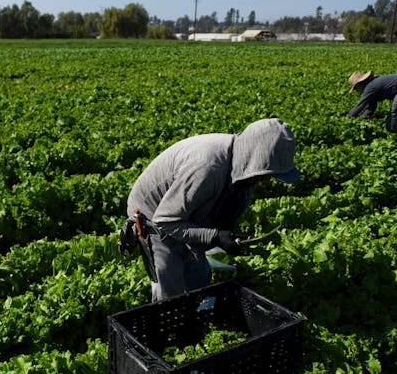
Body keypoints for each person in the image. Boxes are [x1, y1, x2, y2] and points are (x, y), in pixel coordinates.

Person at [125, 118, 300, 302]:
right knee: (170, 287)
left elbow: (228, 206)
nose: (267, 180)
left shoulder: (247, 168)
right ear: (255, 159)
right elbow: (166, 221)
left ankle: (196, 320)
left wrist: (226, 232)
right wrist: (215, 236)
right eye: (268, 174)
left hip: (183, 211)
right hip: (153, 216)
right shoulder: (207, 168)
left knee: (198, 279)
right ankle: (168, 322)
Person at [346, 70, 397, 134]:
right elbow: (371, 107)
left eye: (356, 88)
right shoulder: (372, 85)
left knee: (394, 112)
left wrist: (349, 117)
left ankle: (392, 133)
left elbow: (361, 104)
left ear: (360, 84)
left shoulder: (370, 87)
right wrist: (364, 117)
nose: (358, 90)